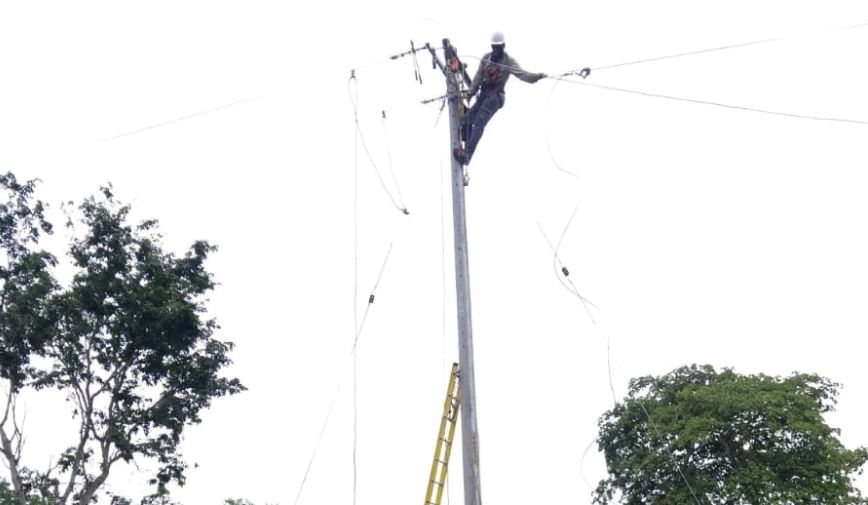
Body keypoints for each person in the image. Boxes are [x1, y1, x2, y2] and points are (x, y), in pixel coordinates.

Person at [453, 31, 546, 166]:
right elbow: (478, 78)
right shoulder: (486, 59)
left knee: (479, 122)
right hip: (484, 95)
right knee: (466, 120)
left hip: (495, 97)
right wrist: (469, 94)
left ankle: (466, 156)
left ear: (503, 46)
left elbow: (523, 75)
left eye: (499, 48)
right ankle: (467, 136)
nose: (496, 51)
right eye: (494, 48)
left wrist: (536, 77)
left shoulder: (508, 61)